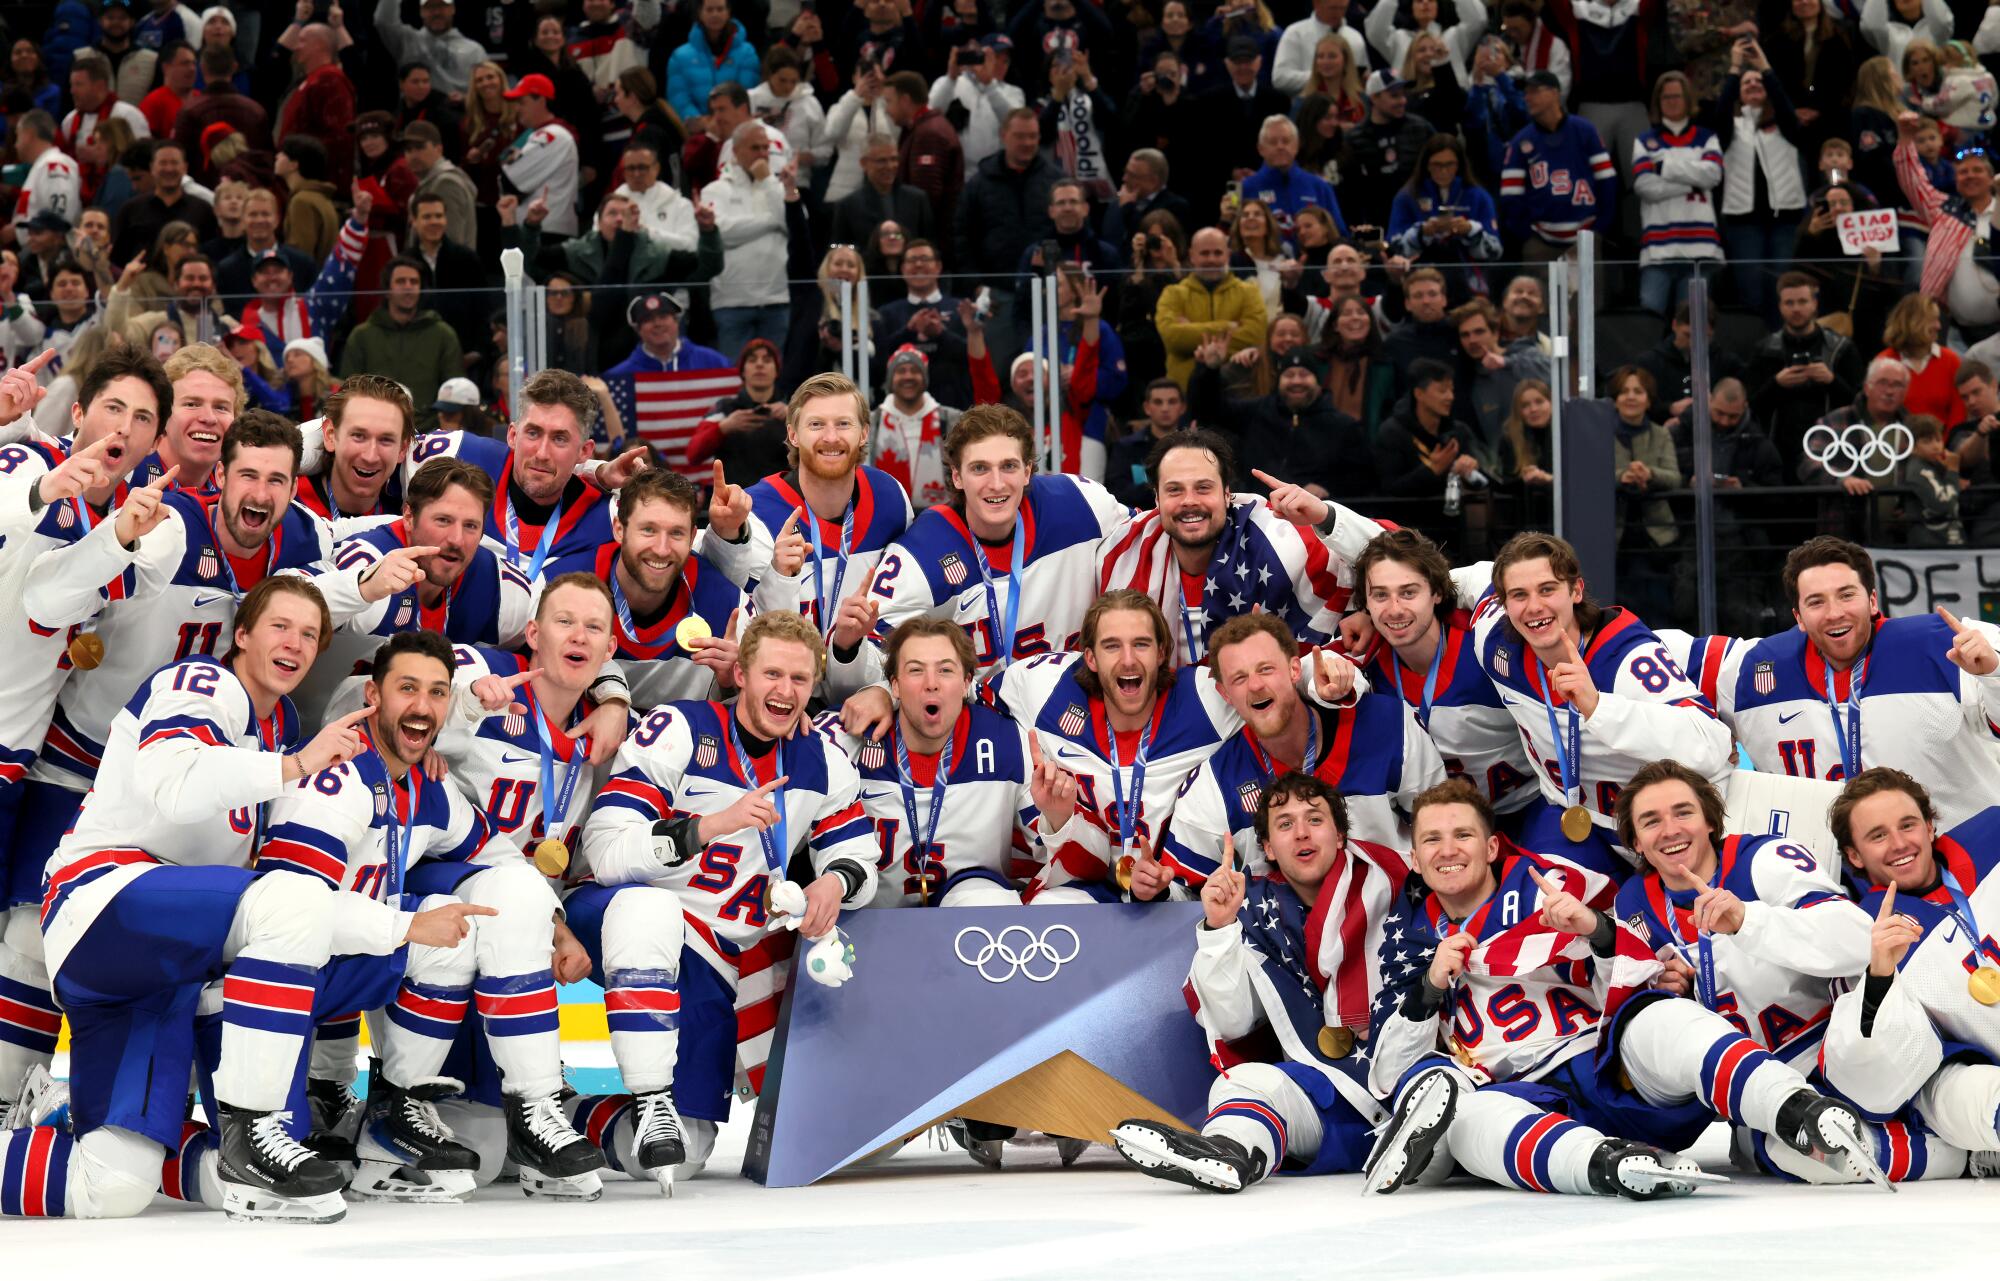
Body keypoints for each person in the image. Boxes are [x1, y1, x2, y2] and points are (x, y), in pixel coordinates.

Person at [0, 579, 410, 1223]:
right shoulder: (199, 682)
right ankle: (255, 1131)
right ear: (241, 634)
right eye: (280, 626)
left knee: (111, 1185)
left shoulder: (282, 728)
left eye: (310, 634)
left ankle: (186, 1146)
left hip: (166, 970)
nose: (296, 643)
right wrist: (294, 767)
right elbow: (175, 785)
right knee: (288, 907)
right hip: (105, 901)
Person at [1359, 777, 1886, 1200]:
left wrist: (1598, 931)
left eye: (1463, 835)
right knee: (1467, 1118)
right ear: (1414, 856)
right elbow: (1387, 1074)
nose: (1448, 850)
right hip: (1521, 1089)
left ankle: (1799, 1111)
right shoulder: (1406, 941)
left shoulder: (1555, 886)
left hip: (1604, 1064)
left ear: (1492, 845)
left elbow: (1630, 983)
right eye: (1431, 839)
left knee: (1654, 1016)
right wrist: (1428, 988)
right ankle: (1611, 1166)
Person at [263, 629, 597, 1203]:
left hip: (341, 968)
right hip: (270, 981)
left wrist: (557, 926)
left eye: (438, 693)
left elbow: (500, 857)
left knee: (471, 914)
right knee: (246, 1170)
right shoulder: (335, 775)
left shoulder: (426, 784)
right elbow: (288, 911)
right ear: (373, 695)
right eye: (407, 689)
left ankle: (399, 1112)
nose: (423, 707)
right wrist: (409, 927)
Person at [577, 612, 880, 1183]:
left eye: (799, 679)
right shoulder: (679, 727)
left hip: (718, 958)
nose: (785, 691)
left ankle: (570, 1117)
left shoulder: (823, 757)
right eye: (772, 674)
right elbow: (605, 854)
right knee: (652, 909)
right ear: (739, 673)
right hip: (629, 918)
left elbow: (860, 858)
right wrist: (708, 826)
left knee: (687, 1154)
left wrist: (833, 881)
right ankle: (648, 1097)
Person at [0, 347, 172, 1106]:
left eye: (142, 418)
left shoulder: (139, 516)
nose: (124, 427)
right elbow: (43, 595)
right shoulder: (23, 458)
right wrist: (45, 485)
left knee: (19, 935)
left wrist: (120, 536)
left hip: (18, 757)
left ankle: (8, 1098)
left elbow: (65, 603)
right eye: (112, 408)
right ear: (78, 413)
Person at [1113, 772, 1399, 1191]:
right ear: (1267, 848)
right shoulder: (1255, 909)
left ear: (1340, 836)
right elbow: (1232, 1022)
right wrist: (1220, 928)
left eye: (1314, 819)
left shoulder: (1396, 883)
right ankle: (1227, 1156)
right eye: (1284, 824)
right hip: (1326, 1100)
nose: (1301, 833)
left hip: (1408, 1088)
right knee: (1241, 1085)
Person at [1454, 531, 1733, 877]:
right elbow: (1466, 578)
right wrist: (1369, 614)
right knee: (1542, 907)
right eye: (1519, 595)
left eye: (1547, 589)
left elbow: (1711, 743)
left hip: (1667, 828)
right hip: (1575, 818)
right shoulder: (1494, 639)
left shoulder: (1627, 659)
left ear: (1576, 591)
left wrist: (1598, 706)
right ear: (1504, 603)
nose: (1534, 606)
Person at [1670, 537, 2000, 827]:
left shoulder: (1953, 642)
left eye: (1846, 595)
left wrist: (1994, 673)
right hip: (1830, 885)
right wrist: (1702, 724)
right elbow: (1646, 653)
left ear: (1872, 601)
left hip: (1965, 875)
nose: (1834, 613)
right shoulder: (1753, 669)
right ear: (1798, 616)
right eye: (1816, 602)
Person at [1158, 610, 1438, 885]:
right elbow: (1180, 891)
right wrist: (1156, 891)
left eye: (1266, 669)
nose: (1255, 685)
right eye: (1239, 678)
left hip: (1394, 917)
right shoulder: (1215, 784)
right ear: (1225, 694)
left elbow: (1443, 826)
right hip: (1285, 929)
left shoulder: (1387, 725)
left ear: (1295, 669)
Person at [1818, 767, 2000, 1170]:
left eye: (1908, 825)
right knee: (1949, 1089)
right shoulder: (1860, 933)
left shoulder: (1993, 839)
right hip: (1977, 1077)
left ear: (1931, 826)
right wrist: (1880, 976)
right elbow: (1872, 1081)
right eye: (1877, 836)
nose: (1899, 844)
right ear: (1853, 855)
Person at [1351, 528, 1541, 829]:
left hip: (1526, 809)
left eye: (1408, 592)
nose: (1395, 609)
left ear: (1437, 592)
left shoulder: (1485, 643)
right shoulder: (1363, 660)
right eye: (1380, 595)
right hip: (1439, 827)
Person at [406, 368, 643, 577]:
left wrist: (594, 471)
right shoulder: (458, 452)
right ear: (512, 435)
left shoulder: (609, 519)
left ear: (584, 451)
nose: (541, 453)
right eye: (533, 433)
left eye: (559, 439)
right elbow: (379, 458)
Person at [1187, 340, 1374, 504]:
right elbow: (1209, 409)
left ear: (1318, 382)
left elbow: (1363, 476)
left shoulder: (1342, 426)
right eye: (1289, 375)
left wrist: (1327, 487)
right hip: (1258, 514)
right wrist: (1209, 371)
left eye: (1304, 374)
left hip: (1313, 519)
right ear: (1279, 380)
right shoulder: (1256, 411)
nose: (1296, 381)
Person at [1747, 272, 1868, 470]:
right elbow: (1749, 408)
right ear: (1780, 307)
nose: (1796, 309)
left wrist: (1831, 381)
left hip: (1833, 451)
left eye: (1802, 301)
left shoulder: (1842, 349)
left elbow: (1861, 404)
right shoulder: (1764, 351)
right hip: (1778, 454)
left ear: (1814, 304)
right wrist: (1776, 384)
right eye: (1789, 303)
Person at [1498, 70, 1617, 263]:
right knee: (1538, 293)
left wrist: (1598, 229)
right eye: (1526, 92)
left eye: (1534, 91)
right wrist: (1527, 235)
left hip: (1584, 240)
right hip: (1540, 242)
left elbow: (1607, 181)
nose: (1527, 97)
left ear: (1555, 93)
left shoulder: (1585, 131)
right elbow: (1510, 196)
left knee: (1587, 293)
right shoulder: (1521, 141)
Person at [1631, 72, 1724, 317]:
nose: (1671, 102)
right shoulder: (1645, 140)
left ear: (1688, 99)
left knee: (1694, 325)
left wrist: (1664, 167)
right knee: (1647, 324)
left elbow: (1713, 175)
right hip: (1658, 249)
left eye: (1677, 96)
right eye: (1666, 97)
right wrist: (1692, 183)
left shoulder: (1707, 138)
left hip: (1700, 248)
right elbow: (1644, 187)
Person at [337, 257, 462, 431]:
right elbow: (348, 390)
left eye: (414, 282)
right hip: (374, 428)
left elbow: (454, 391)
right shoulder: (362, 335)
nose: (408, 286)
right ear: (387, 290)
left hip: (430, 432)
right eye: (401, 281)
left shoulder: (442, 334)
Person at [1156, 227, 1268, 389]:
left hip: (1237, 390)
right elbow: (1173, 339)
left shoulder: (1249, 292)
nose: (1211, 259)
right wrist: (1228, 326)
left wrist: (1190, 330)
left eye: (1217, 253)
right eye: (1204, 253)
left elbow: (1255, 335)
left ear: (1228, 255)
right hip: (1186, 392)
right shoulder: (1172, 294)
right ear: (1192, 256)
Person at [293, 373, 409, 525]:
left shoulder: (407, 518)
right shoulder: (287, 501)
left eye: (386, 440)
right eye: (358, 436)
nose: (370, 456)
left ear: (402, 449)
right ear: (330, 436)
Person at [1340, 71, 1437, 230]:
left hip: (1419, 220)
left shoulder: (1421, 128)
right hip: (1376, 225)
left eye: (1403, 95)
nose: (1403, 101)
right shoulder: (1354, 140)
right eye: (1394, 96)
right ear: (1374, 98)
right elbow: (1349, 194)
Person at [275, 25, 357, 189]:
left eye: (302, 41)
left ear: (320, 45)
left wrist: (302, 164)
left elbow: (339, 136)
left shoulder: (330, 79)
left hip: (316, 183)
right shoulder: (310, 80)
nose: (296, 46)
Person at [499, 75, 581, 239]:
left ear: (541, 101)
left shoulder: (552, 135)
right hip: (540, 226)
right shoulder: (543, 133)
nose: (517, 109)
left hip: (547, 230)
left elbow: (510, 182)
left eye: (522, 103)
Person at [826, 135, 936, 255]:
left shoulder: (917, 200)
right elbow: (839, 249)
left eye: (894, 159)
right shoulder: (847, 206)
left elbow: (928, 244)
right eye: (881, 161)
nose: (889, 166)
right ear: (863, 163)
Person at [929, 35, 1023, 171]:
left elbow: (1015, 123)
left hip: (997, 173)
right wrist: (951, 78)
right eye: (995, 58)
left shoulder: (1013, 92)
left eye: (1006, 61)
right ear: (980, 57)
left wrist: (989, 85)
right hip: (956, 171)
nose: (1001, 66)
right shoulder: (951, 83)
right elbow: (931, 113)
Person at [1880, 292, 1965, 424]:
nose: (1939, 326)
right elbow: (1877, 414)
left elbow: (1959, 415)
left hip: (1943, 443)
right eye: (1933, 320)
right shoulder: (1884, 362)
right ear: (1913, 323)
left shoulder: (1951, 361)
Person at [373, 0, 485, 97]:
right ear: (421, 11)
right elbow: (383, 21)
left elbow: (487, 89)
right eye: (430, 7)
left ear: (452, 9)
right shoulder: (408, 41)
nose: (436, 12)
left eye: (442, 6)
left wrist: (465, 98)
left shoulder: (474, 51)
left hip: (460, 115)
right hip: (416, 116)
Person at [11, 113, 81, 249]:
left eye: (17, 136)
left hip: (49, 253)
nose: (15, 145)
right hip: (37, 252)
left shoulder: (54, 165)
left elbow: (61, 216)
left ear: (29, 134)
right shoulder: (42, 166)